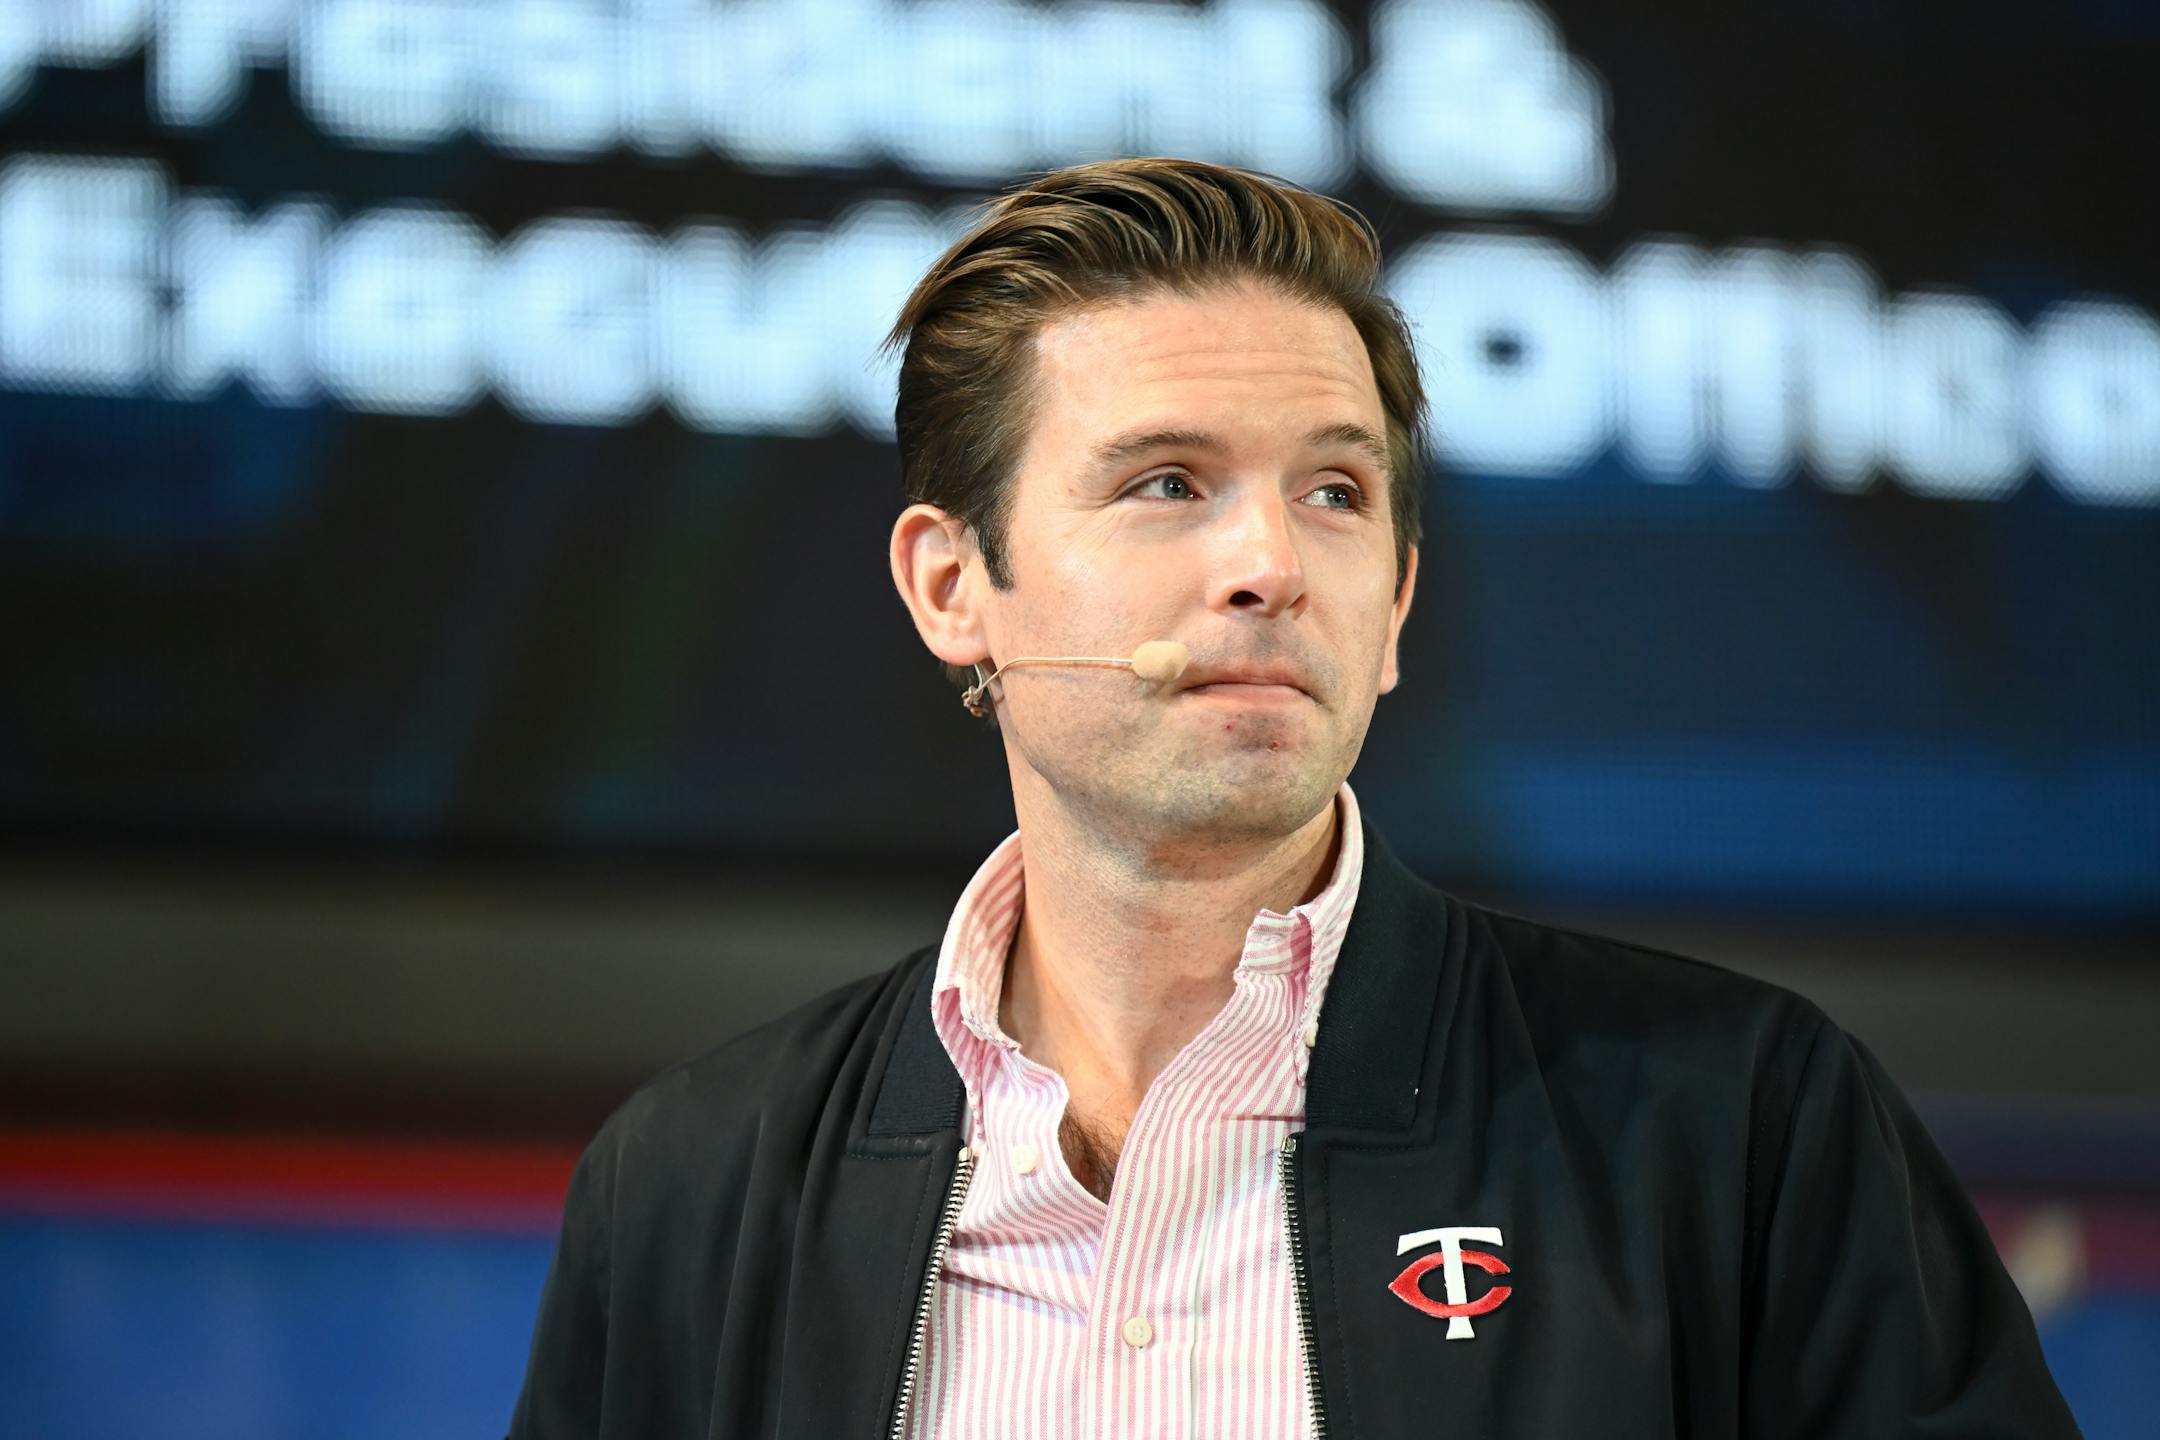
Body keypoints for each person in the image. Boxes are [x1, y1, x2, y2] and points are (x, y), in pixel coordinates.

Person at [509, 157, 2079, 1439]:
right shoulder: (693, 1191)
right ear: (949, 586)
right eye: (1166, 483)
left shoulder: (1743, 1133)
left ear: (1395, 604)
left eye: (1333, 491)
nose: (1270, 564)